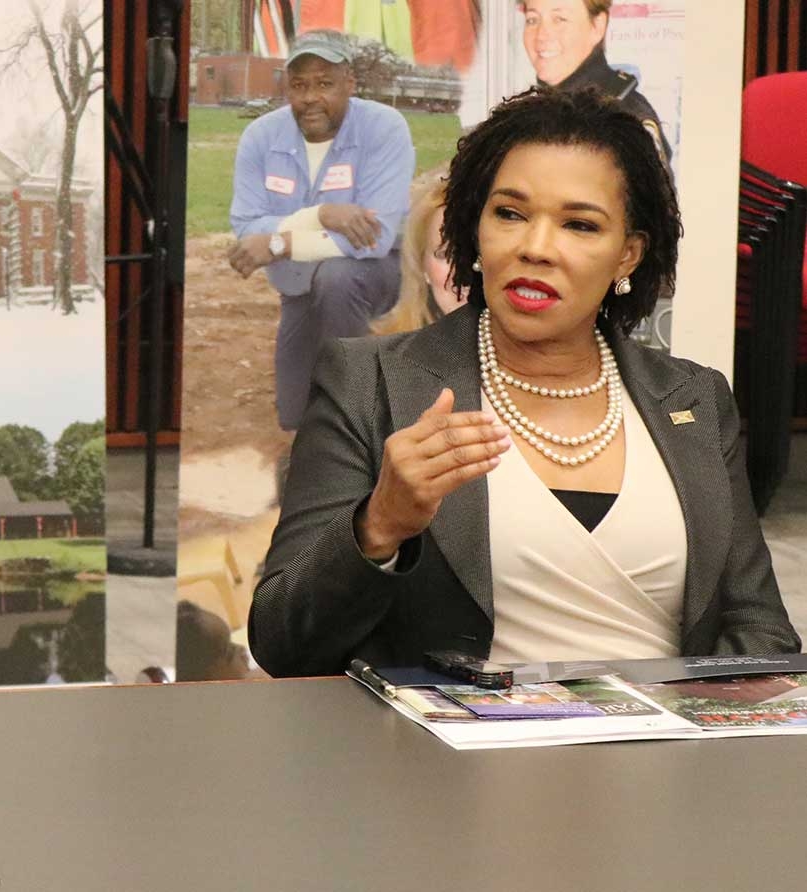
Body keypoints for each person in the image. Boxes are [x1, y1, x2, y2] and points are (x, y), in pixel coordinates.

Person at [249, 88, 800, 678]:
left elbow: (760, 631)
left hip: (661, 756)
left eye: (580, 225)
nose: (535, 248)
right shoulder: (368, 382)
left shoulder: (694, 398)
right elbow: (282, 642)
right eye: (509, 213)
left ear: (628, 256)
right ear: (475, 228)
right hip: (445, 761)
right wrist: (379, 524)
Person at [227, 29, 414, 431]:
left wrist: (279, 241)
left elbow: (374, 237)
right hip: (300, 284)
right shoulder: (260, 137)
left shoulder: (384, 128)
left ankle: (361, 412)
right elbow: (245, 225)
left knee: (338, 277)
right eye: (299, 85)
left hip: (379, 272)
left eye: (325, 83)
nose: (310, 96)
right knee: (294, 412)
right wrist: (322, 214)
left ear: (350, 83)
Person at [519, 0, 671, 164]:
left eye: (559, 19)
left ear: (597, 26)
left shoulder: (625, 118)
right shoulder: (530, 114)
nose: (541, 35)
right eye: (532, 20)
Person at [371, 168, 466, 335]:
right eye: (445, 254)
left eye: (477, 249)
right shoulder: (381, 356)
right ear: (423, 267)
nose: (463, 272)